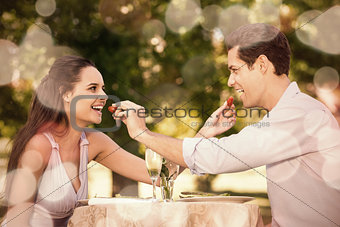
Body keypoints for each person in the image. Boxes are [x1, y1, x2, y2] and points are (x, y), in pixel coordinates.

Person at [112, 23, 340, 227]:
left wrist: (142, 133)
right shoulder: (286, 114)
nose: (231, 81)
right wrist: (206, 132)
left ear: (261, 64)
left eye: (235, 70)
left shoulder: (299, 116)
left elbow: (220, 157)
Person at [1, 55, 153, 227]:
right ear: (66, 93)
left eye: (103, 88)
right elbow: (17, 221)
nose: (104, 96)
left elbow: (158, 175)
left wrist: (142, 133)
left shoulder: (94, 142)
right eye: (93, 88)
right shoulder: (40, 145)